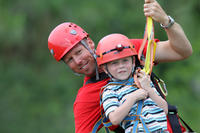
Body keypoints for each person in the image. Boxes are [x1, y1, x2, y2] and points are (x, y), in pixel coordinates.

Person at [47, 0, 192, 132]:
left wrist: (166, 21)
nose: (77, 61)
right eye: (69, 60)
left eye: (78, 52)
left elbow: (181, 52)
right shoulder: (86, 98)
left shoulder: (123, 50)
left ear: (89, 43)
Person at [96, 33, 168, 133]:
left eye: (125, 61)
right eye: (115, 63)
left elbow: (165, 109)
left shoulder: (142, 80)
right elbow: (115, 119)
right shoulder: (109, 91)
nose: (121, 66)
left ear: (133, 61)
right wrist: (133, 98)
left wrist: (149, 89)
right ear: (105, 69)